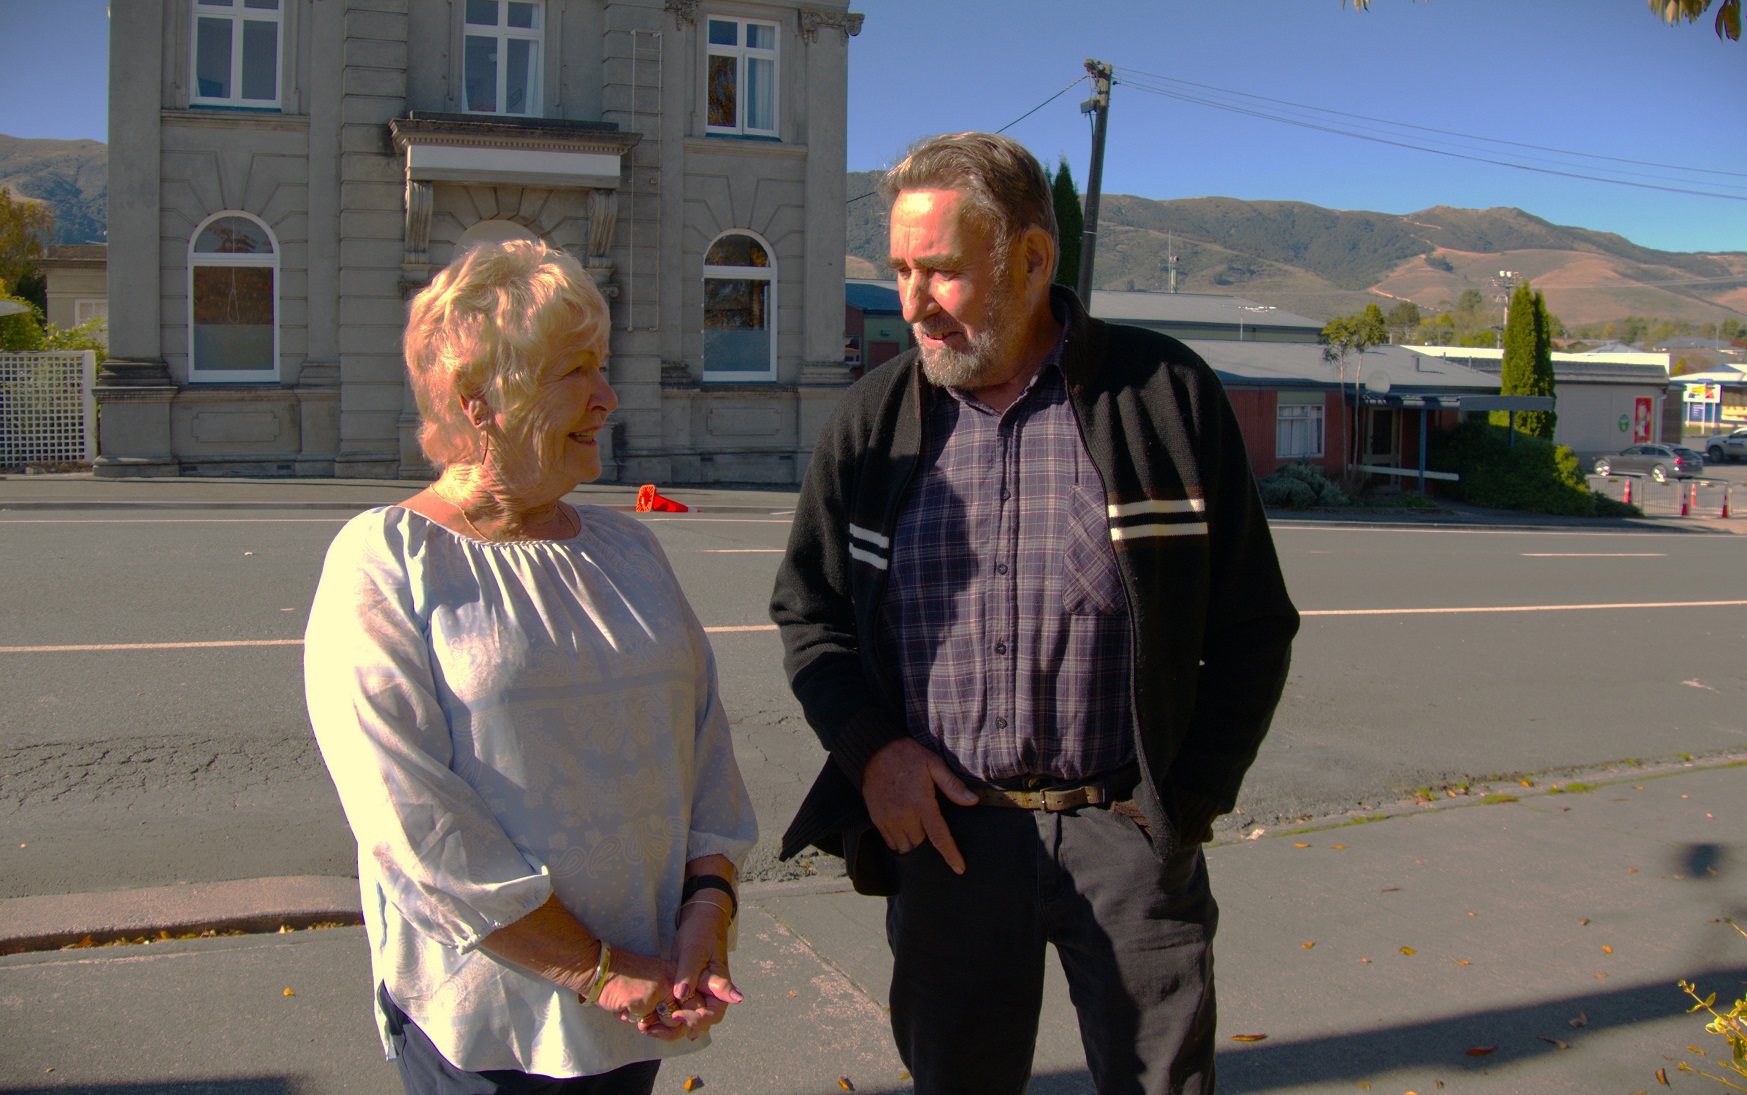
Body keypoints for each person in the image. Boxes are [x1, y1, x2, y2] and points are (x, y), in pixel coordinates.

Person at [770, 132, 1299, 1095]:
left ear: (1030, 259)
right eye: (898, 270)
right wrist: (873, 752)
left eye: (941, 271)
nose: (913, 303)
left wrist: (1185, 800)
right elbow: (810, 616)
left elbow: (1254, 623)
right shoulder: (871, 425)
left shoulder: (1162, 397)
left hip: (1127, 837)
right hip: (948, 844)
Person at [306, 240, 757, 1095]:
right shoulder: (386, 559)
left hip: (644, 1001)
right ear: (479, 400)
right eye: (573, 371)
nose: (607, 396)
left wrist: (708, 907)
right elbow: (411, 824)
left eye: (602, 365)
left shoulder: (628, 547)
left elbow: (705, 750)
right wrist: (594, 968)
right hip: (491, 1026)